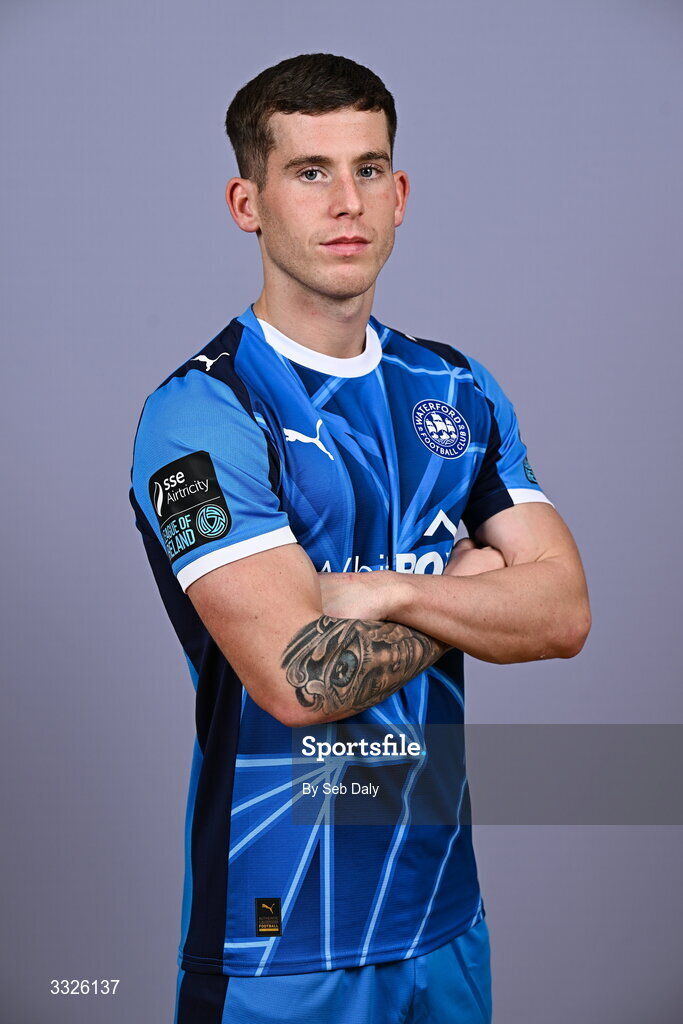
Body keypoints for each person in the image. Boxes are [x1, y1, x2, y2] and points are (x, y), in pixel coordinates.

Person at [129, 53, 590, 1024]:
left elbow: (562, 610)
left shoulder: (455, 390)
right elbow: (298, 677)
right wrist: (466, 590)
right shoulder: (202, 413)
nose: (346, 201)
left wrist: (379, 592)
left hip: (444, 920)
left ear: (400, 192)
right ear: (244, 202)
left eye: (368, 169)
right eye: (309, 172)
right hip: (281, 944)